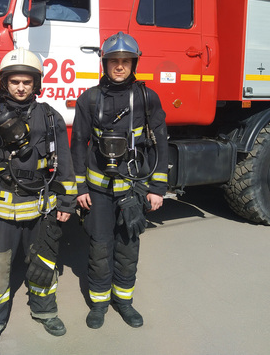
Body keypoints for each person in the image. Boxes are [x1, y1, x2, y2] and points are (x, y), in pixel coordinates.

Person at [0, 47, 77, 351]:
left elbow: (64, 163)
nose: (21, 87)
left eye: (27, 82)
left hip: (41, 209)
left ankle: (45, 312)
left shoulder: (50, 117)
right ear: (5, 83)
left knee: (44, 264)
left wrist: (67, 202)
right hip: (1, 211)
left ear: (36, 84)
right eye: (15, 81)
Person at [71, 32, 168, 330]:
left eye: (126, 61)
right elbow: (78, 143)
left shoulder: (147, 98)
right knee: (100, 247)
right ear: (105, 63)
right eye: (114, 60)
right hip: (98, 190)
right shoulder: (89, 99)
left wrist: (157, 188)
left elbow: (160, 143)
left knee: (128, 247)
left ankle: (124, 302)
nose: (120, 66)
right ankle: (99, 304)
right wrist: (80, 187)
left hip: (133, 188)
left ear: (134, 64)